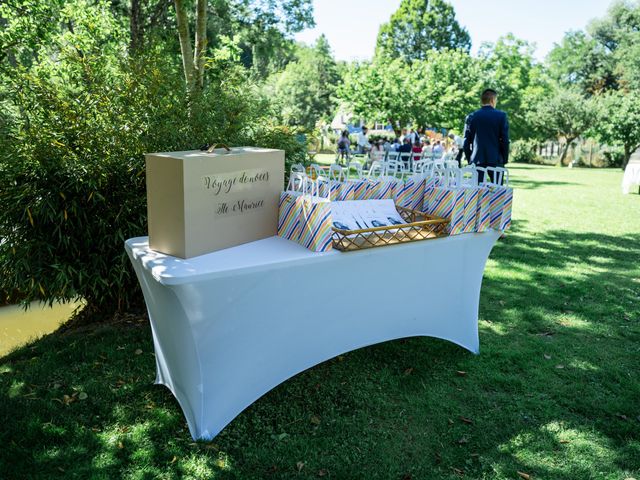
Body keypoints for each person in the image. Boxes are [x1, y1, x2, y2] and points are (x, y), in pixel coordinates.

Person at [463, 88, 510, 183]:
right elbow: (505, 140)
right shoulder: (501, 116)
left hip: (477, 159)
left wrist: (470, 159)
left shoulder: (471, 116)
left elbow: (466, 142)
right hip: (496, 159)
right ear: (493, 100)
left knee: (476, 192)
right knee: (498, 192)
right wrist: (504, 159)